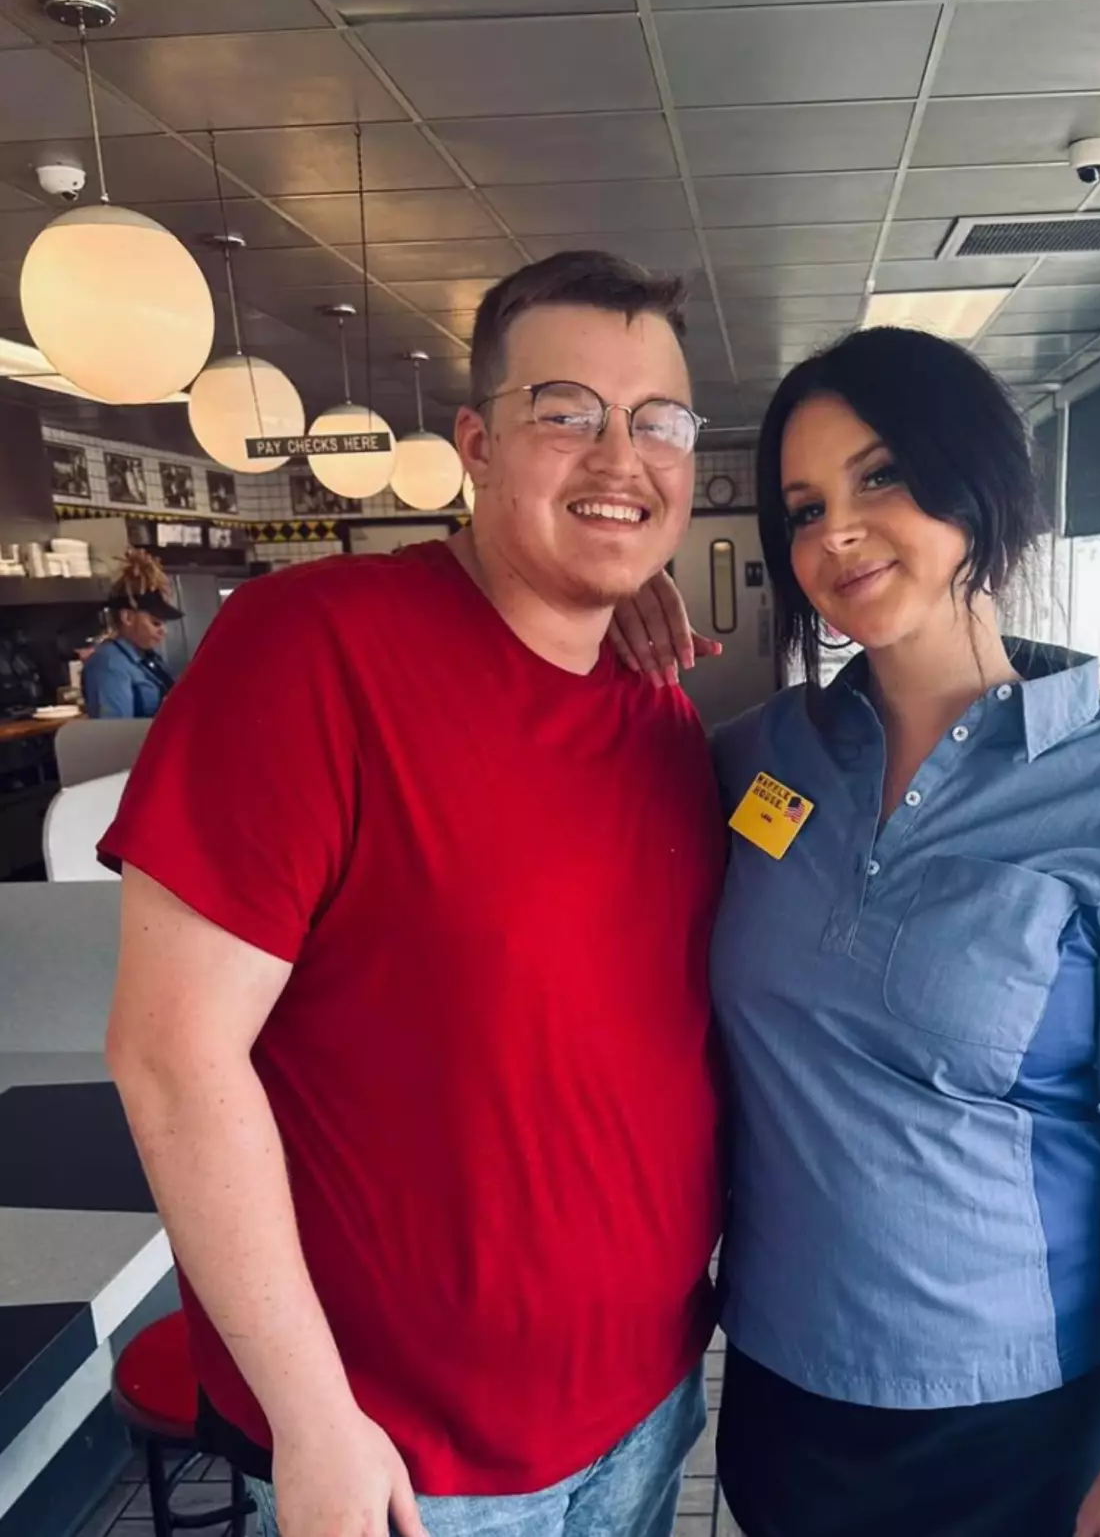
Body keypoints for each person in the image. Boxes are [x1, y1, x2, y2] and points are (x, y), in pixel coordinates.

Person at [101, 251, 725, 1537]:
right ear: (479, 443)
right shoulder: (313, 650)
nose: (620, 457)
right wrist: (314, 1416)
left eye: (655, 423)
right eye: (567, 412)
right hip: (404, 1460)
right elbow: (170, 1059)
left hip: (648, 1408)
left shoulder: (658, 708)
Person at [614, 326, 1100, 1537]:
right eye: (804, 508)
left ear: (981, 489)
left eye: (880, 478)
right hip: (784, 1392)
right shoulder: (753, 760)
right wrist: (605, 607)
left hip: (1018, 1417)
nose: (837, 533)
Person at [81, 549, 181, 719]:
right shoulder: (109, 666)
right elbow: (115, 734)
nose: (163, 631)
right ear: (127, 617)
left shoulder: (149, 659)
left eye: (163, 624)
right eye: (155, 623)